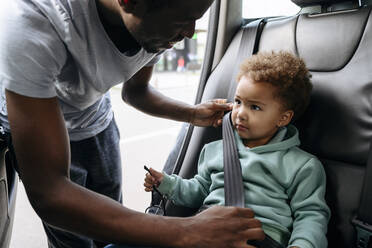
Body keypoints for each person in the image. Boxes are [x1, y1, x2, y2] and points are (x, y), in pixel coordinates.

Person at [0, 0, 266, 247]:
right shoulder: (32, 22)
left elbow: (135, 91)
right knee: (74, 237)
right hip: (42, 124)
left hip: (97, 121)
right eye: (182, 21)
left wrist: (192, 114)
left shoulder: (156, 26)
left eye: (195, 19)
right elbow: (50, 192)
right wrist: (187, 231)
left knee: (108, 225)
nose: (189, 32)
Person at [144, 51, 331, 248]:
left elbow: (311, 215)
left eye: (255, 107)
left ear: (283, 118)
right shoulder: (214, 150)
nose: (240, 114)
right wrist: (167, 183)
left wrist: (301, 245)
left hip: (261, 237)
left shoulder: (302, 165)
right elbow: (199, 190)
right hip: (207, 230)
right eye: (239, 102)